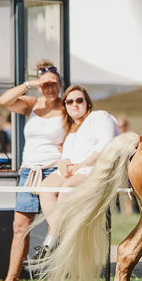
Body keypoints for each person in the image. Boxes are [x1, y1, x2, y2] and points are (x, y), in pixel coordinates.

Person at [0, 60, 65, 281]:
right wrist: (30, 84)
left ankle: (54, 280)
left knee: (55, 226)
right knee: (20, 226)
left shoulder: (67, 107)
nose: (50, 88)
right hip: (29, 171)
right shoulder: (32, 104)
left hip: (54, 171)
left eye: (53, 83)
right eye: (45, 85)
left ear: (60, 84)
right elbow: (3, 101)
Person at [38, 85, 118, 238]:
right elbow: (66, 157)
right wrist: (63, 163)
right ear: (65, 106)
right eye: (70, 101)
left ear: (87, 103)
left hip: (93, 169)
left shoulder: (98, 117)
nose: (74, 104)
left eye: (79, 100)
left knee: (67, 187)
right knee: (46, 187)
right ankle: (56, 234)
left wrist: (82, 165)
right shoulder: (70, 130)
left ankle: (54, 238)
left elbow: (105, 145)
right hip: (73, 170)